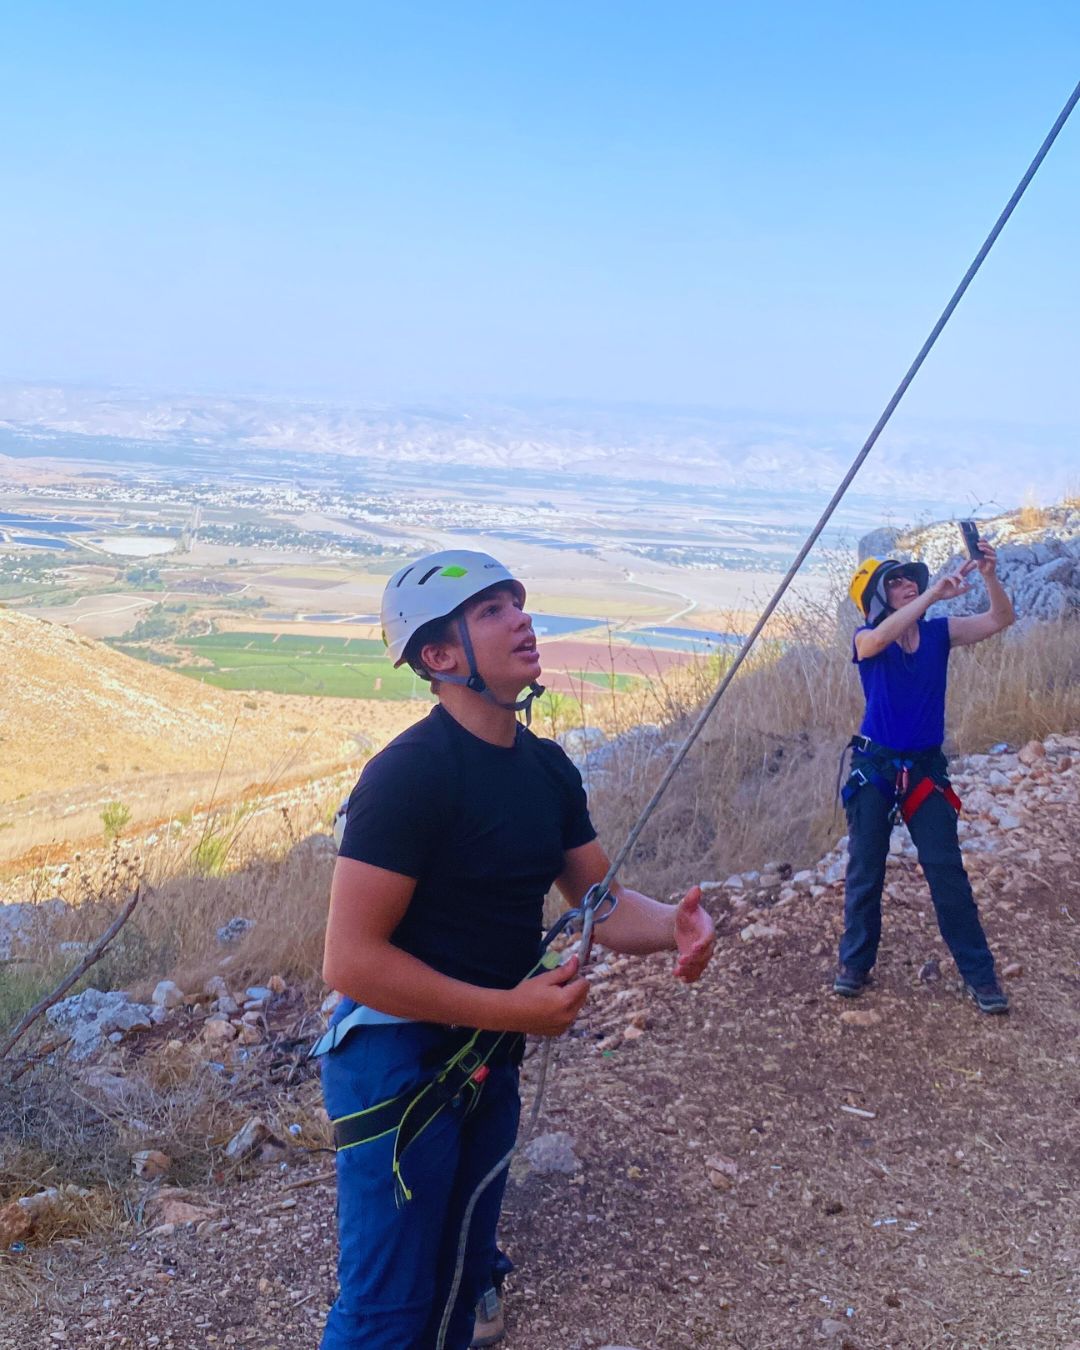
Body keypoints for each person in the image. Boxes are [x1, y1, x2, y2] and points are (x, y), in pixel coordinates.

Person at [315, 549, 716, 1350]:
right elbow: (350, 962)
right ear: (439, 656)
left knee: (463, 1282)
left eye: (518, 604)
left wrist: (674, 925)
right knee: (387, 1308)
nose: (522, 619)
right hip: (396, 1066)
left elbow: (600, 901)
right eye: (492, 610)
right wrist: (510, 1010)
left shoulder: (546, 771)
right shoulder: (407, 777)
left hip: (490, 1055)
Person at [835, 538, 1015, 1013]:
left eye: (909, 579)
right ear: (877, 598)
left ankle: (980, 976)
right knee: (865, 869)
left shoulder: (938, 633)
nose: (906, 584)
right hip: (875, 767)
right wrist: (932, 595)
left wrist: (990, 576)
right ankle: (854, 965)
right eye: (893, 582)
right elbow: (876, 642)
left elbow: (1001, 619)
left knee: (946, 870)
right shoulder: (867, 636)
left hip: (924, 771)